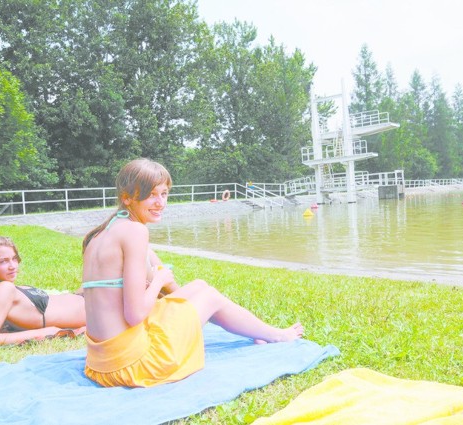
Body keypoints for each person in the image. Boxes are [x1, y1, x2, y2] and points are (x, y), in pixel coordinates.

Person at [81, 158, 303, 388]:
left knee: (199, 287)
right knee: (210, 297)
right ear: (127, 198)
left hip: (100, 363)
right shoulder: (135, 232)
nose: (160, 203)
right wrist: (159, 280)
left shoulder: (100, 234)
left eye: (164, 194)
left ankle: (257, 330)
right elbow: (135, 314)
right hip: (132, 365)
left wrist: (168, 287)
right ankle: (276, 336)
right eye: (151, 195)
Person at [0, 236, 86, 345]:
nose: (13, 266)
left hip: (81, 298)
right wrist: (45, 332)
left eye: (14, 259)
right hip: (91, 306)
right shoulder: (0, 289)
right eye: (3, 262)